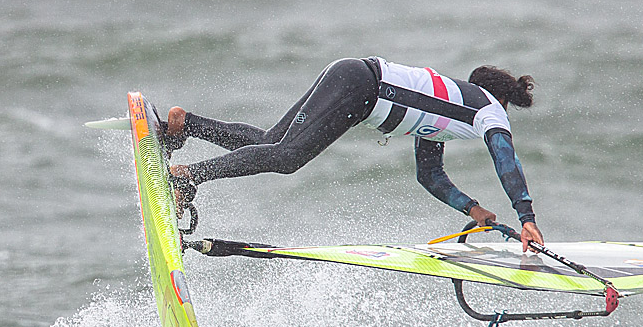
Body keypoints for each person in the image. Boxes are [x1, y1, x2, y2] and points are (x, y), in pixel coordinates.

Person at [163, 56, 545, 251]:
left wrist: (472, 209)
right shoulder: (489, 109)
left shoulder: (444, 110)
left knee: (272, 143)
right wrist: (525, 217)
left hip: (352, 75)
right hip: (362, 85)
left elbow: (429, 174)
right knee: (286, 157)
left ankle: (186, 123)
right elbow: (505, 157)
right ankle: (188, 176)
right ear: (503, 100)